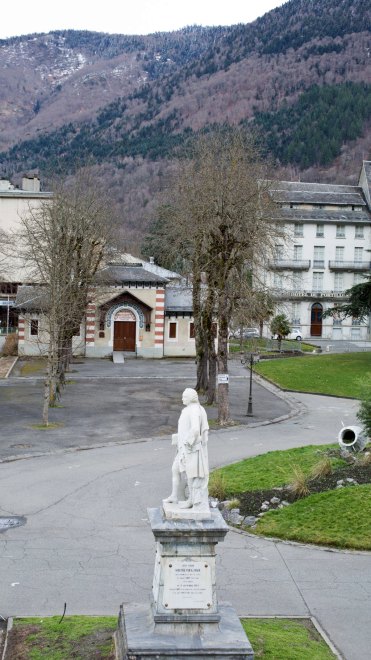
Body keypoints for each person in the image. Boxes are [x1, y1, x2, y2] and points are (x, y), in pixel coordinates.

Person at [164, 388, 209, 511]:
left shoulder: (194, 410)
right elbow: (186, 428)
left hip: (189, 448)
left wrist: (187, 442)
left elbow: (195, 429)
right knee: (175, 469)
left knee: (190, 474)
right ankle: (174, 495)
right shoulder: (188, 409)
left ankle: (191, 500)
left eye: (184, 396)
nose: (182, 398)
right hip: (183, 447)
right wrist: (179, 438)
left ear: (191, 398)